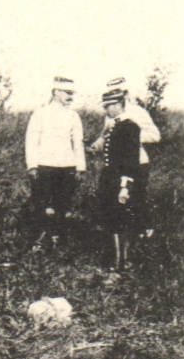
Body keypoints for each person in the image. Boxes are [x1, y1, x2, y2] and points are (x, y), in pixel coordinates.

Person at [24, 75, 86, 236]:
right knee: (43, 205)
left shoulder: (73, 116)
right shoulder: (40, 113)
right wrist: (32, 166)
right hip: (45, 166)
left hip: (67, 166)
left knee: (63, 206)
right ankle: (39, 241)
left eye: (72, 93)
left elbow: (78, 143)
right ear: (56, 92)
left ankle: (59, 241)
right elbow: (31, 141)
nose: (70, 97)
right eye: (67, 92)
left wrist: (80, 167)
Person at [97, 86, 146, 271]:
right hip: (109, 180)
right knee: (111, 219)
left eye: (109, 106)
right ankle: (115, 263)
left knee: (119, 221)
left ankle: (120, 266)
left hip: (120, 181)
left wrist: (125, 186)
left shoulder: (130, 127)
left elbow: (131, 160)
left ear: (118, 105)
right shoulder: (115, 125)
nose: (106, 110)